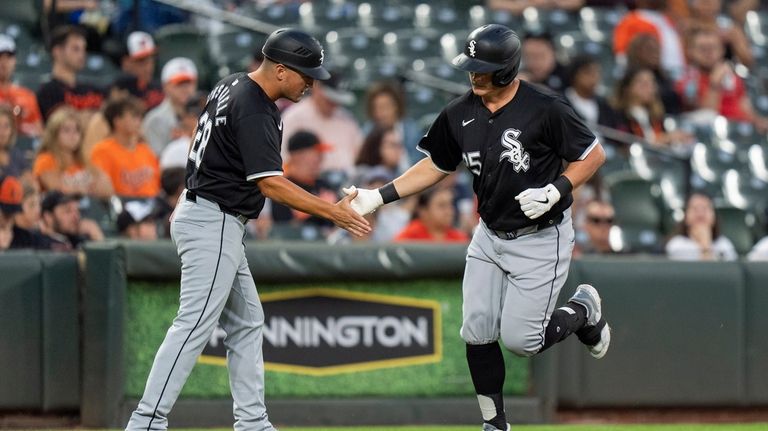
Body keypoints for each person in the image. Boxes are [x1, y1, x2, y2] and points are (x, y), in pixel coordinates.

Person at [344, 24, 609, 431]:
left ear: (505, 69)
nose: (473, 74)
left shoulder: (545, 107)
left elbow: (592, 155)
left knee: (523, 342)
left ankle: (582, 310)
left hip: (541, 236)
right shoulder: (460, 111)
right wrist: (379, 197)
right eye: (470, 66)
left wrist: (557, 190)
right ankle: (494, 423)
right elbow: (436, 164)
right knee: (477, 329)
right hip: (488, 235)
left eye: (481, 67)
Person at [124, 27, 369, 431]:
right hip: (214, 219)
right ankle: (145, 422)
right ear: (279, 70)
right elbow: (270, 182)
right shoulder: (255, 105)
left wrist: (192, 189)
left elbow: (202, 147)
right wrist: (333, 212)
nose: (310, 83)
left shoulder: (230, 84)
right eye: (305, 74)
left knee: (246, 321)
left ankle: (253, 423)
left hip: (206, 211)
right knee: (194, 324)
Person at [676, 26, 768, 131]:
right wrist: (715, 84)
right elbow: (705, 119)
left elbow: (745, 110)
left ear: (722, 50)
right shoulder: (687, 81)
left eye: (713, 48)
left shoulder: (732, 76)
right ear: (690, 51)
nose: (708, 53)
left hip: (741, 132)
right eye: (702, 49)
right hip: (715, 136)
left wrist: (758, 121)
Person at [281, 70, 364, 175]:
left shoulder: (347, 118)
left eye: (338, 101)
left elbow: (360, 155)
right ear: (316, 87)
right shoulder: (294, 117)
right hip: (307, 183)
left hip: (347, 181)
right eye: (330, 99)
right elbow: (283, 159)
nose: (334, 103)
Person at [34, 107, 113, 198]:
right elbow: (56, 189)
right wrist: (84, 190)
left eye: (77, 130)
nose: (73, 135)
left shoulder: (85, 160)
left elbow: (108, 189)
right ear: (54, 134)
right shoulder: (45, 159)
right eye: (66, 130)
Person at [91, 96, 160, 198]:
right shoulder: (102, 150)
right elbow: (103, 190)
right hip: (122, 205)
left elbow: (157, 186)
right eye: (133, 116)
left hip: (152, 205)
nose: (139, 121)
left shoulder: (145, 150)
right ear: (117, 121)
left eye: (140, 117)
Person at [36, 25, 105, 122]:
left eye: (83, 49)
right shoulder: (48, 91)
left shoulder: (92, 89)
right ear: (57, 51)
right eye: (75, 49)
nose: (82, 55)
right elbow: (61, 124)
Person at [613, 67, 692, 148]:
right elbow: (627, 144)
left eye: (652, 83)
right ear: (627, 88)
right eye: (642, 83)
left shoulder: (657, 117)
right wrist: (664, 139)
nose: (649, 88)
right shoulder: (619, 116)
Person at [142, 57, 199, 155]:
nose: (185, 89)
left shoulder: (207, 114)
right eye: (179, 83)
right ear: (165, 86)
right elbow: (157, 160)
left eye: (189, 82)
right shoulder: (154, 120)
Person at [363, 81, 423, 166]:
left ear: (396, 106)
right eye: (375, 108)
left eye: (384, 107)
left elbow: (418, 164)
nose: (379, 114)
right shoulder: (368, 130)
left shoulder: (411, 130)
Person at [666, 192, 737, 261]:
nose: (700, 214)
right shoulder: (676, 245)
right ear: (686, 217)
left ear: (714, 217)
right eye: (695, 208)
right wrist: (705, 245)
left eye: (705, 208)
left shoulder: (724, 244)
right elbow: (702, 272)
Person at [0, 34, 43, 137]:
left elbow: (39, 133)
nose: (4, 62)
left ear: (15, 61)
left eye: (9, 56)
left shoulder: (27, 96)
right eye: (0, 57)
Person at [563, 54, 620, 130]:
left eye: (597, 72)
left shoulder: (604, 105)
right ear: (574, 75)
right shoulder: (561, 102)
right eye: (588, 73)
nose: (594, 77)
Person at [394, 186, 469, 243]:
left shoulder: (459, 238)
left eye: (450, 204)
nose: (449, 211)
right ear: (423, 211)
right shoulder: (409, 237)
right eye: (441, 205)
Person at [111, 31, 165, 110]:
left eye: (151, 59)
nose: (148, 67)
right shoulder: (117, 88)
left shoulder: (160, 89)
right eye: (141, 61)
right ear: (126, 63)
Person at [0, 105, 32, 180]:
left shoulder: (16, 155)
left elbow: (32, 183)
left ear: (11, 131)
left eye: (6, 126)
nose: (2, 132)